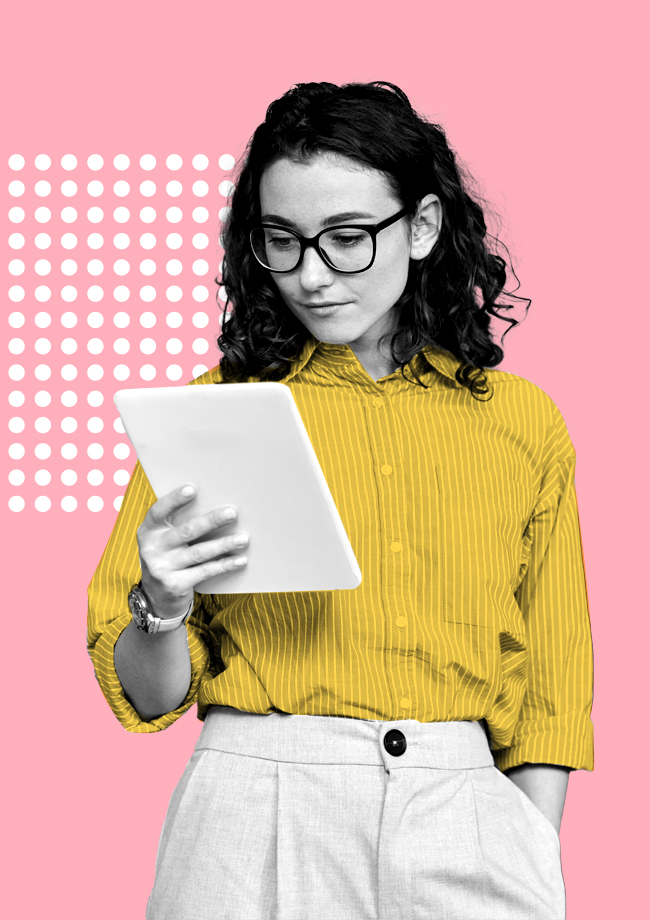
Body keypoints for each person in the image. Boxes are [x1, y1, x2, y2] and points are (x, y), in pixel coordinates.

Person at [87, 81, 594, 920]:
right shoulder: (213, 417)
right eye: (281, 241)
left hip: (466, 814)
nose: (311, 275)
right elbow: (147, 695)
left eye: (348, 239)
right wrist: (163, 606)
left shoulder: (523, 425)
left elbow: (549, 681)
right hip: (254, 813)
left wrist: (530, 848)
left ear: (422, 227)